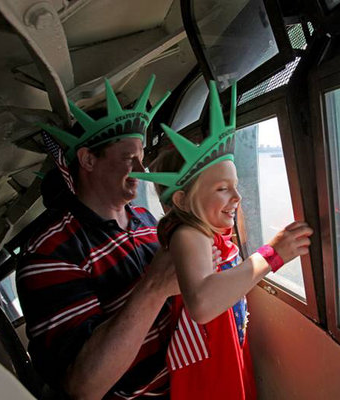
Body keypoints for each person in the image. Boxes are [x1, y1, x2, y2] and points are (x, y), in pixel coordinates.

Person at [129, 81, 313, 400]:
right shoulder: (189, 234)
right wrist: (271, 254)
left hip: (224, 353)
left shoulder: (212, 233)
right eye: (222, 188)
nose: (237, 196)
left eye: (235, 185)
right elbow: (201, 305)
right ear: (184, 202)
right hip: (207, 371)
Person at [16, 75, 179, 400]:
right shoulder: (47, 249)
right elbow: (84, 386)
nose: (141, 168)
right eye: (127, 158)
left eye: (142, 156)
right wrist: (154, 287)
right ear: (88, 160)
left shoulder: (145, 220)